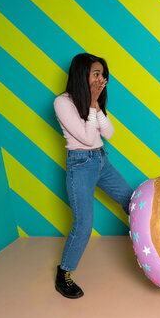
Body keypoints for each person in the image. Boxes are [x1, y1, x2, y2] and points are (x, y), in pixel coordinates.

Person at [54, 53, 133, 299]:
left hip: (100, 160)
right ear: (81, 74)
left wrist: (96, 105)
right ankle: (63, 274)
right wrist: (92, 104)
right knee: (84, 225)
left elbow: (108, 133)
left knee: (131, 201)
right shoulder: (62, 102)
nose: (102, 79)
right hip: (80, 165)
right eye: (96, 74)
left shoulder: (93, 101)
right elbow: (87, 139)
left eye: (103, 75)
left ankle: (153, 245)